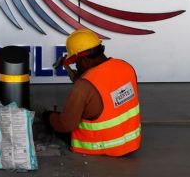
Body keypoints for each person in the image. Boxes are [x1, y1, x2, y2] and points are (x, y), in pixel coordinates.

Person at [42, 29, 141, 157]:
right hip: (130, 142)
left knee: (56, 122)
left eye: (76, 62)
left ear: (83, 60)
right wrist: (67, 66)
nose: (76, 66)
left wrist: (48, 117)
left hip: (100, 146)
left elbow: (65, 125)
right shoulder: (125, 67)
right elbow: (99, 82)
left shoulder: (83, 87)